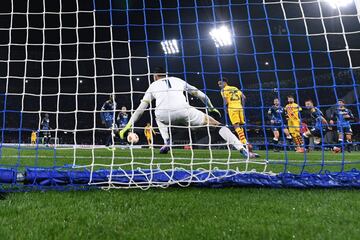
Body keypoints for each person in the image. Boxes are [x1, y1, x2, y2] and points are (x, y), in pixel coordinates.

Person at [119, 67, 259, 158]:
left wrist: (127, 126)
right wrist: (211, 108)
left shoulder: (153, 85)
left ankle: (167, 141)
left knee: (157, 115)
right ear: (166, 74)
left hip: (164, 115)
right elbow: (201, 95)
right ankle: (243, 150)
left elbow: (140, 109)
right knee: (217, 125)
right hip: (185, 111)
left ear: (155, 76)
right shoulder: (177, 80)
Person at [217, 78, 251, 150]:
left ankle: (245, 142)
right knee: (240, 126)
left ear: (225, 82)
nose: (219, 85)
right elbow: (244, 97)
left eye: (220, 83)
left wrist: (225, 108)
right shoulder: (235, 88)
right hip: (240, 107)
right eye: (218, 84)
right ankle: (244, 141)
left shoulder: (223, 90)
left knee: (236, 126)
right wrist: (242, 106)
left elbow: (225, 100)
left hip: (232, 108)